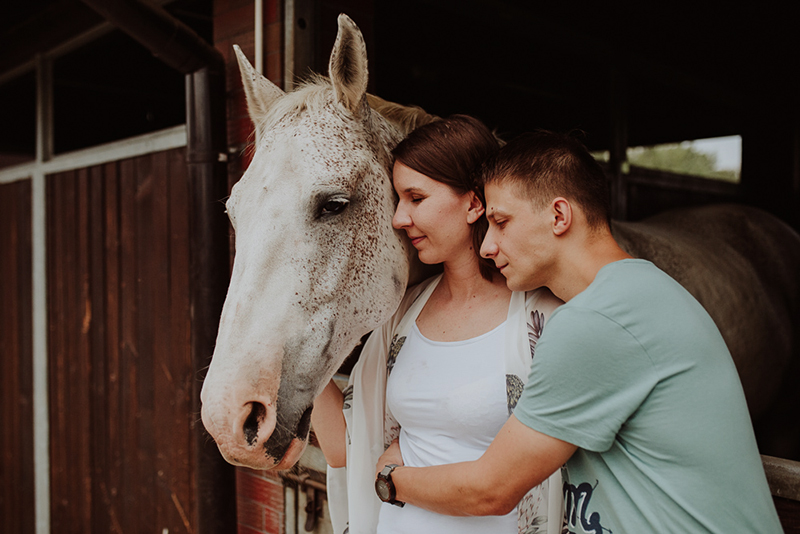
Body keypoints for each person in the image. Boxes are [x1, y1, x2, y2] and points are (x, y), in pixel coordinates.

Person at [375, 131, 784, 533]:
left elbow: (491, 490)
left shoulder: (598, 321)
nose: (486, 245)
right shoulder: (638, 291)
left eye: (500, 222)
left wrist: (391, 480)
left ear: (559, 216)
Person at [311, 116, 564, 534]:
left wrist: (393, 483)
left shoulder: (540, 319)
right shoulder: (400, 317)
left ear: (473, 203)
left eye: (416, 197)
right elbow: (343, 449)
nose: (399, 218)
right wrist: (290, 341)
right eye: (398, 199)